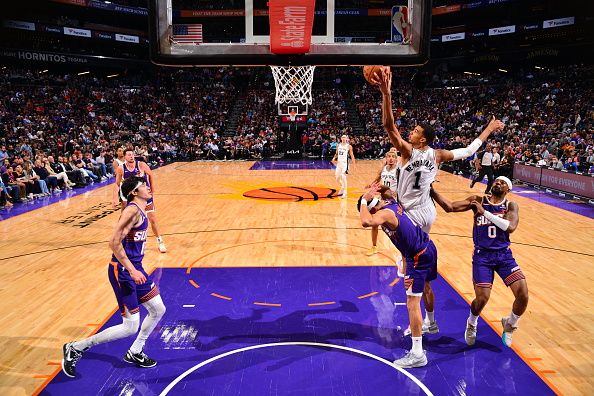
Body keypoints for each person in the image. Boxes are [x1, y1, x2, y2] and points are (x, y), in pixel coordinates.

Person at [374, 68, 504, 332]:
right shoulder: (439, 155)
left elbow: (388, 126)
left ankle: (417, 325)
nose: (410, 132)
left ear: (421, 139)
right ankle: (431, 320)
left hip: (410, 214)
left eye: (415, 130)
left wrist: (386, 93)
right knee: (422, 272)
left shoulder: (408, 151)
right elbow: (469, 150)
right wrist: (489, 128)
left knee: (410, 270)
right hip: (426, 212)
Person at [62, 177, 166, 378]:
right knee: (130, 327)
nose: (148, 187)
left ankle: (135, 351)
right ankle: (76, 347)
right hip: (123, 271)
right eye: (143, 185)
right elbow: (113, 242)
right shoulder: (132, 211)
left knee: (158, 309)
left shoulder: (141, 209)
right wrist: (132, 270)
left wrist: (136, 269)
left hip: (136, 268)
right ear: (134, 192)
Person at [430, 176, 528, 347]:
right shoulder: (478, 200)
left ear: (508, 190)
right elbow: (450, 207)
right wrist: (431, 190)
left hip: (504, 256)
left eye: (503, 182)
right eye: (497, 180)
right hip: (482, 256)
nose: (498, 183)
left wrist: (485, 213)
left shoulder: (511, 205)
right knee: (482, 299)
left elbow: (510, 227)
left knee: (523, 295)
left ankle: (510, 324)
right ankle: (472, 322)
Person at [358, 183, 437, 368]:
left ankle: (417, 354)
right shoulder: (392, 203)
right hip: (428, 247)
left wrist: (363, 199)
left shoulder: (385, 213)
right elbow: (387, 192)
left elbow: (365, 221)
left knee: (412, 303)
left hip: (418, 257)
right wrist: (379, 187)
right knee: (426, 287)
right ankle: (431, 323)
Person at [113, 148, 167, 253]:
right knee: (129, 221)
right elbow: (117, 183)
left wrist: (152, 187)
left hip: (145, 197)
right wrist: (116, 198)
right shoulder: (121, 168)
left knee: (152, 219)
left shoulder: (141, 165)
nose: (131, 156)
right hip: (133, 199)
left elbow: (150, 174)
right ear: (125, 157)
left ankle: (160, 241)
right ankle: (124, 242)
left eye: (132, 154)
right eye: (129, 155)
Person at [365, 149, 399, 256]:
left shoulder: (398, 171)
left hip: (394, 201)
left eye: (393, 157)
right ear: (386, 158)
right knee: (374, 222)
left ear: (396, 159)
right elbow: (378, 178)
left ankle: (401, 247)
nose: (391, 158)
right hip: (382, 200)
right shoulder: (384, 168)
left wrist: (397, 193)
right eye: (389, 156)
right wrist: (371, 185)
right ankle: (374, 246)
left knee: (396, 226)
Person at [331, 134, 356, 198]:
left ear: (347, 139)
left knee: (343, 176)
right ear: (341, 138)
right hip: (339, 164)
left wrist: (354, 164)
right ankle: (342, 186)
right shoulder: (338, 145)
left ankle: (345, 192)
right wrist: (334, 158)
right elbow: (336, 154)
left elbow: (352, 155)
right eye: (343, 137)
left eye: (345, 137)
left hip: (345, 164)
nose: (344, 138)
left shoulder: (349, 146)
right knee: (337, 178)